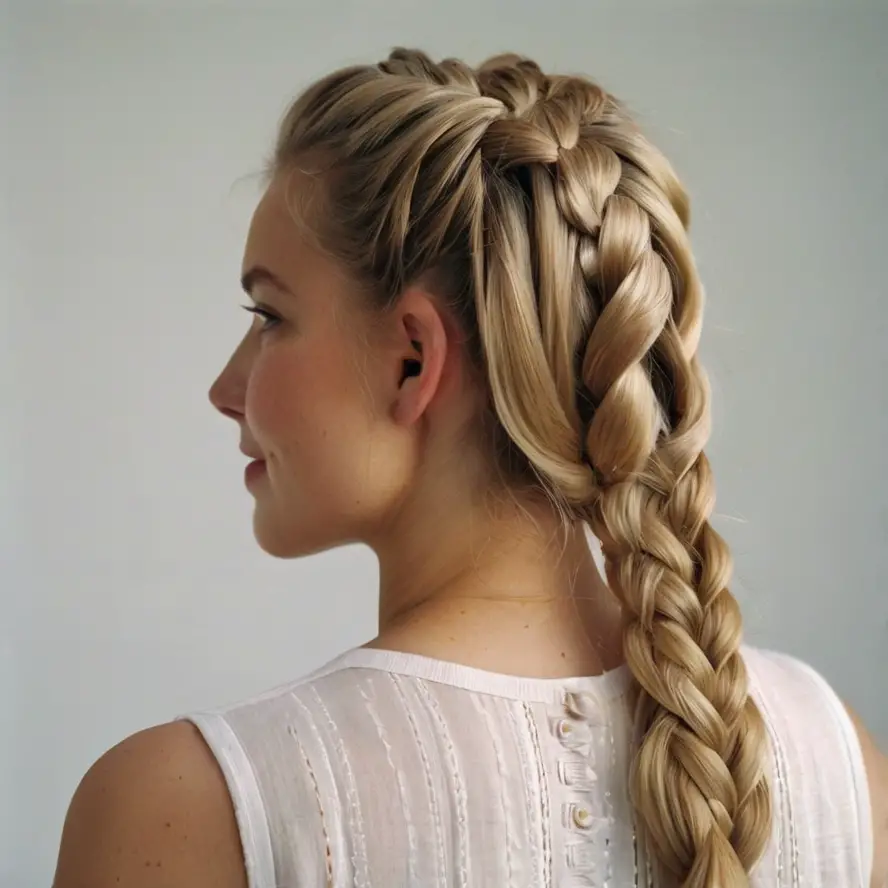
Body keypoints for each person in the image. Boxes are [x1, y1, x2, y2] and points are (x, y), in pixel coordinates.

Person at [53, 48, 886, 888]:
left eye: (269, 315)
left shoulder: (189, 809)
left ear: (413, 361)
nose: (225, 389)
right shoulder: (833, 757)